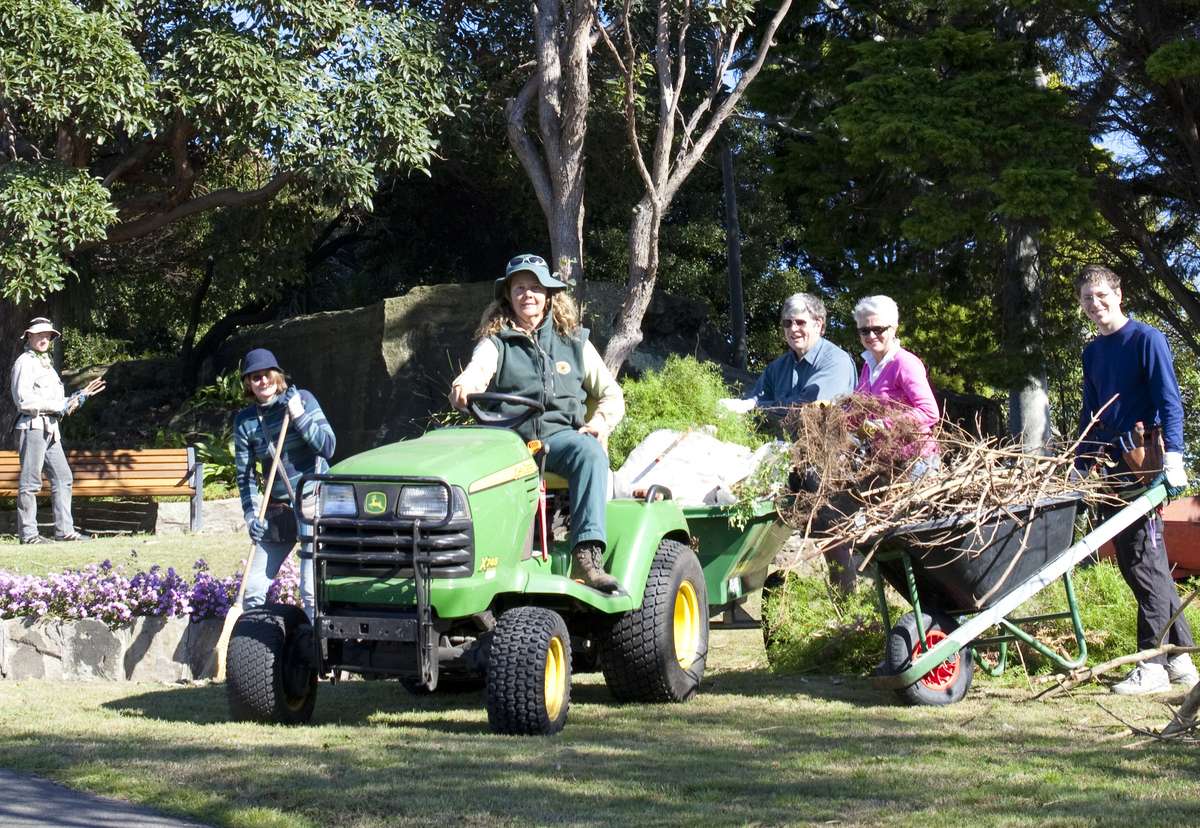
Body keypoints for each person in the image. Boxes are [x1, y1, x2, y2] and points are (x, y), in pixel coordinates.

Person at [450, 253, 626, 592]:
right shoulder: (495, 343)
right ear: (509, 296)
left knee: (589, 452)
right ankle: (473, 562)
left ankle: (587, 556)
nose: (527, 294)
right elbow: (474, 376)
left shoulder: (575, 342)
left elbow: (611, 394)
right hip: (508, 443)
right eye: (520, 288)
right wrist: (463, 389)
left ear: (548, 295)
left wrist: (600, 423)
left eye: (534, 287)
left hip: (558, 440)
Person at [1074, 264, 1197, 695]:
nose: (1096, 304)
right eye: (1088, 298)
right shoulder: (1092, 353)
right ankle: (1181, 659)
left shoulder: (1147, 339)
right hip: (1110, 466)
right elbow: (1092, 416)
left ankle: (1153, 663)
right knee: (1144, 561)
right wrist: (1079, 463)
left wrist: (1175, 457)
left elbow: (1169, 398)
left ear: (1119, 294)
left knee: (1142, 557)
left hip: (1144, 460)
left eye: (1102, 295)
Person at [233, 348, 335, 621]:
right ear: (248, 384)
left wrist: (299, 415)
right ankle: (253, 649)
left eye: (266, 374)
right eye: (255, 377)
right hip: (277, 513)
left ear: (277, 376)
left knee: (311, 592)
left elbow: (328, 447)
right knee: (252, 591)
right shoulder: (245, 422)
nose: (262, 381)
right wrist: (251, 515)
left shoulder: (303, 399)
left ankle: (320, 659)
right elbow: (243, 476)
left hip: (313, 505)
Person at [10, 317, 106, 544]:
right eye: (40, 334)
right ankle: (29, 535)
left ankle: (65, 531)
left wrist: (79, 397)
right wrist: (59, 405)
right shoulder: (24, 362)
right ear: (29, 336)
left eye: (48, 335)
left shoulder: (47, 365)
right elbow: (23, 401)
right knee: (31, 482)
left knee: (63, 477)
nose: (44, 338)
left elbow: (57, 404)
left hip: (51, 430)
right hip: (32, 427)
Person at [720, 293, 856, 416]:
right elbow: (753, 401)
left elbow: (808, 409)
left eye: (800, 322)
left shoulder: (836, 361)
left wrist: (753, 406)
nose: (793, 329)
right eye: (787, 323)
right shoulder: (776, 368)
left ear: (818, 325)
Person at [852, 294, 940, 473]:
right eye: (864, 330)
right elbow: (861, 413)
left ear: (893, 329)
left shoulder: (904, 363)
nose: (871, 335)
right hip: (885, 462)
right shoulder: (868, 366)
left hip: (916, 462)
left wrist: (884, 424)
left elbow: (929, 412)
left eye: (878, 329)